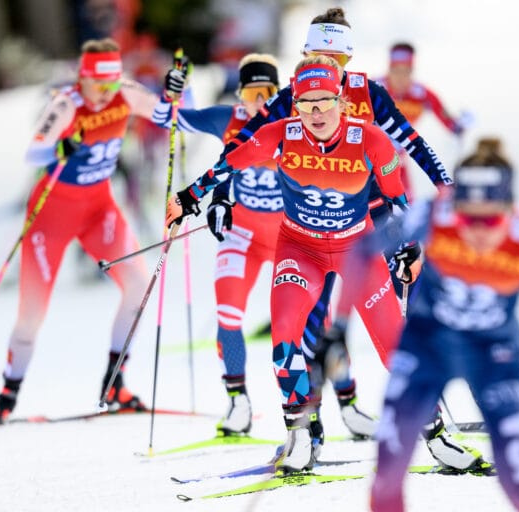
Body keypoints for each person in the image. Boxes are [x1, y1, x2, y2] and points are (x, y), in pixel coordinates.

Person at [166, 55, 484, 474]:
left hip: (359, 254)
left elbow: (397, 199)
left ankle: (438, 437)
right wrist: (193, 196)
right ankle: (299, 432)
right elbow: (231, 160)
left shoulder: (371, 139)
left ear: (341, 100)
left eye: (324, 102)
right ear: (294, 103)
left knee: (396, 350)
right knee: (285, 338)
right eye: (305, 103)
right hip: (301, 250)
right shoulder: (280, 134)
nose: (316, 112)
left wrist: (408, 245)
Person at [365, 138, 519, 512]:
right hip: (429, 347)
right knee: (386, 481)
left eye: (490, 218)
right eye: (467, 215)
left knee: (518, 484)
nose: (477, 229)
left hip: (493, 355)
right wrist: (337, 329)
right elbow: (359, 253)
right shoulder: (434, 213)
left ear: (508, 205)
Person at [157, 53, 376, 438]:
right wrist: (177, 90)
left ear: (281, 94)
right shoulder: (229, 120)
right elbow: (173, 120)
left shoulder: (294, 128)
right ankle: (238, 400)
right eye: (250, 93)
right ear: (239, 94)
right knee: (228, 310)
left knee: (317, 324)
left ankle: (348, 402)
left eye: (268, 92)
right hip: (241, 236)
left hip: (289, 239)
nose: (259, 102)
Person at [0, 38, 165, 427]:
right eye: (98, 83)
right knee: (32, 313)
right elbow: (35, 151)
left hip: (98, 210)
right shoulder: (66, 103)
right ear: (83, 78)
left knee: (139, 284)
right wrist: (61, 148)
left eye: (111, 83)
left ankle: (114, 384)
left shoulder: (127, 94)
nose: (105, 92)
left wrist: (179, 91)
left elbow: (171, 113)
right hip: (51, 215)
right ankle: (6, 398)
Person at [375, 42, 471, 198]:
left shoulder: (421, 94)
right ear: (389, 69)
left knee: (406, 203)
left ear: (412, 71)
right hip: (367, 158)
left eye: (406, 72)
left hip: (397, 160)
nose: (400, 78)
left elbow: (447, 120)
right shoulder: (374, 88)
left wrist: (461, 125)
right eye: (396, 71)